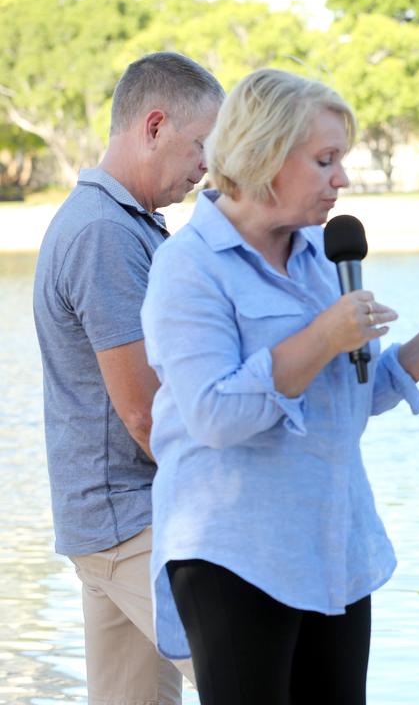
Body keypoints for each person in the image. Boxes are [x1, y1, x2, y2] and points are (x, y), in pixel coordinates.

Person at [139, 68, 419, 704]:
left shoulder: (324, 254)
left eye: (342, 160)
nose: (343, 179)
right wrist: (322, 337)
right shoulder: (186, 268)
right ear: (267, 155)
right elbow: (213, 415)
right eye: (325, 160)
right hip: (234, 550)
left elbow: (351, 396)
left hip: (332, 540)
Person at [33, 51, 223, 703]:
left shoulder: (129, 225)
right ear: (154, 126)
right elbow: (144, 411)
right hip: (133, 523)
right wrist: (233, 492)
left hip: (112, 521)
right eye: (200, 144)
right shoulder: (103, 234)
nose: (206, 165)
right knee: (254, 679)